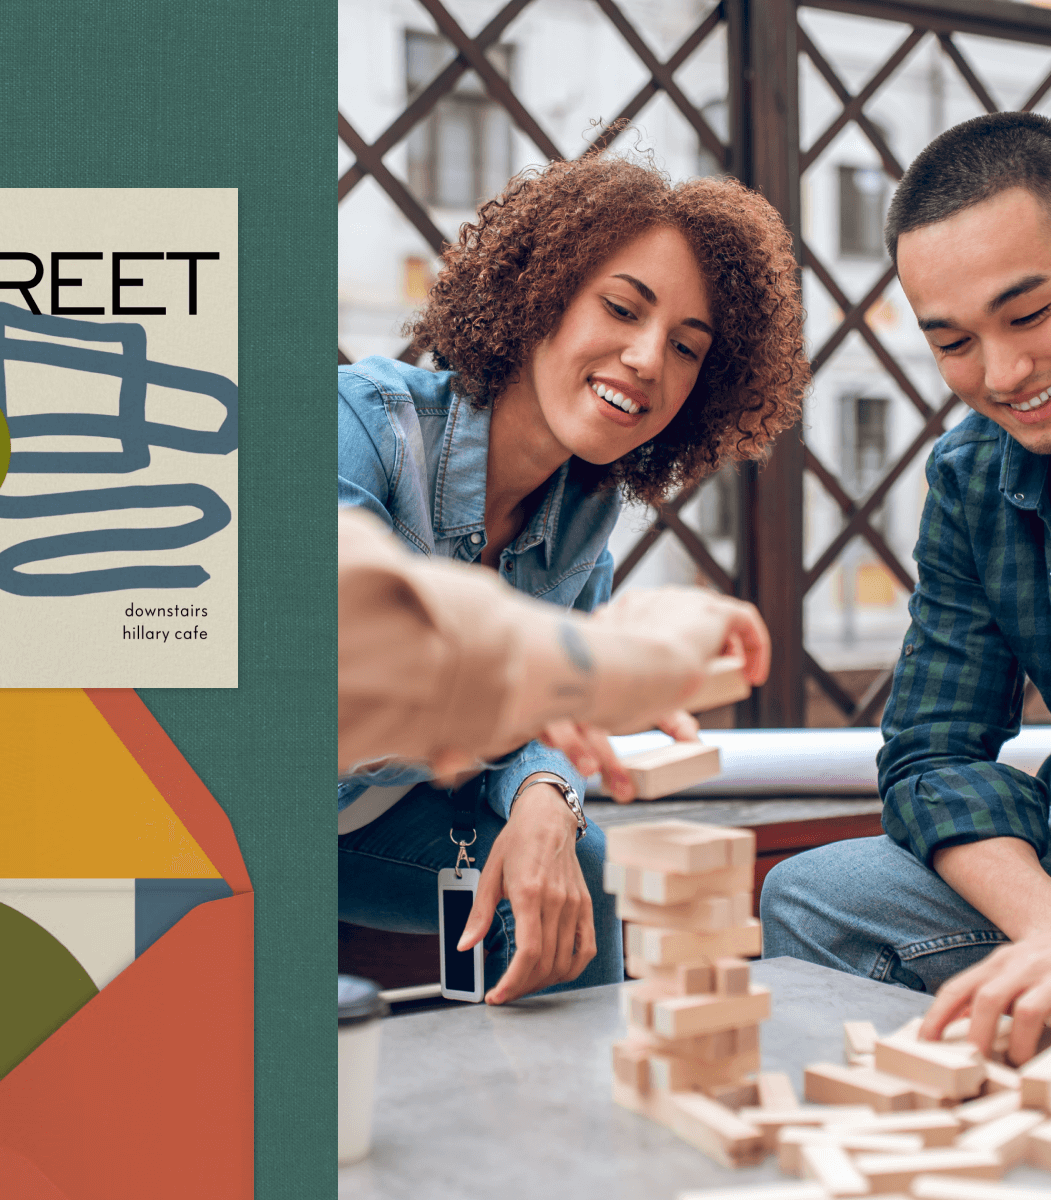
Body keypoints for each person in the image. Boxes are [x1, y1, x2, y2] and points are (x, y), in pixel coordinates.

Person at [759, 111, 1051, 1063]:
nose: (1004, 374)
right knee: (814, 895)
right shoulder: (978, 472)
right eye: (954, 343)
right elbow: (933, 754)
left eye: (1028, 315)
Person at [340, 153, 807, 1004]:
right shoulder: (362, 426)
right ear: (541, 290)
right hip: (209, 813)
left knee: (575, 856)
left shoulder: (583, 517)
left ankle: (568, 1122)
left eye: (686, 348)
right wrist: (623, 662)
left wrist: (549, 795)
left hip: (362, 832)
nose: (645, 358)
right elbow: (342, 653)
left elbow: (544, 729)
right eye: (622, 308)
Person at [338, 505, 771, 776]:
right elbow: (431, 651)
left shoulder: (591, 507)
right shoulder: (373, 416)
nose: (646, 362)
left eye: (683, 351)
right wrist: (654, 657)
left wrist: (544, 782)